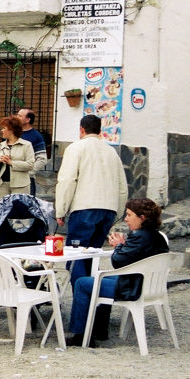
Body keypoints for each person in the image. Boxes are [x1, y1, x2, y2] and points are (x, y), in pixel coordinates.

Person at [66, 198, 169, 347]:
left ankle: (81, 334)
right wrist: (125, 246)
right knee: (101, 278)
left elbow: (118, 262)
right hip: (149, 285)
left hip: (134, 288)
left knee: (82, 282)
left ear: (142, 218)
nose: (126, 219)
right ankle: (99, 329)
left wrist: (118, 246)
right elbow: (136, 257)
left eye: (129, 215)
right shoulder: (157, 236)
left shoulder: (139, 236)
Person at [55, 114, 128, 286]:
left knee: (77, 255)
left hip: (84, 208)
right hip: (108, 210)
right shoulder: (111, 152)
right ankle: (91, 295)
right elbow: (122, 187)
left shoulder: (76, 148)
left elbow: (67, 181)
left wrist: (61, 210)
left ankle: (81, 299)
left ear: (81, 129)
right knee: (93, 256)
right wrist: (116, 213)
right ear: (100, 130)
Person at [0, 116, 35, 201]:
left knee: (19, 212)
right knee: (2, 212)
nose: (1, 130)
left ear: (12, 130)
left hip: (20, 185)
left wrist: (11, 162)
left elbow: (30, 165)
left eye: (4, 128)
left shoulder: (27, 145)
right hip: (1, 185)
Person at [17, 108, 48, 195]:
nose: (16, 117)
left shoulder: (36, 136)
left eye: (19, 116)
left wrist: (28, 173)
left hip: (27, 180)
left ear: (27, 120)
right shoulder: (12, 133)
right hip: (10, 179)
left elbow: (42, 159)